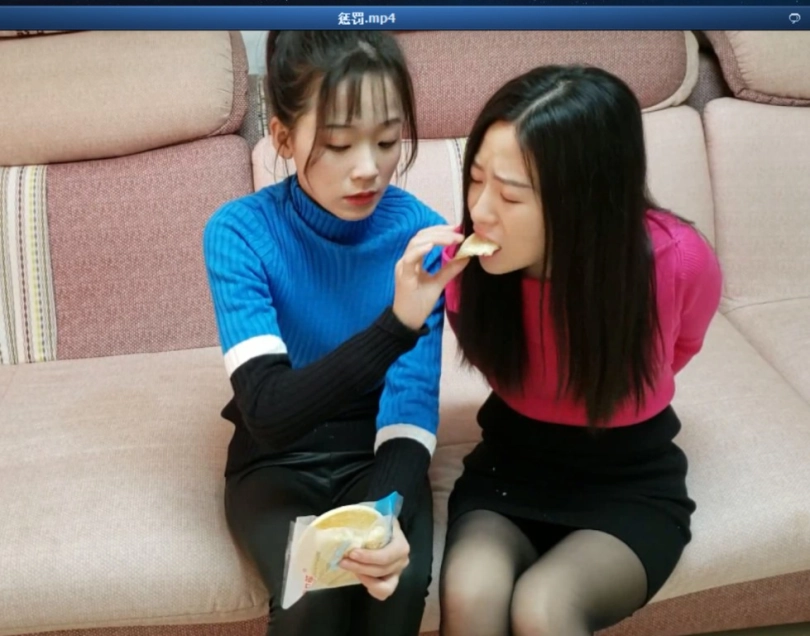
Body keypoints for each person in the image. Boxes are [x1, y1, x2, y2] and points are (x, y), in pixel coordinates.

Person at [438, 65, 723, 636]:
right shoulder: (467, 272)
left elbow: (681, 347)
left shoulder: (678, 261)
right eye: (475, 179)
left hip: (629, 481)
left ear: (586, 200)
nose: (481, 211)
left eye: (510, 194)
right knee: (471, 594)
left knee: (543, 607)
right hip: (511, 468)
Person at [203, 31, 467, 636]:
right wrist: (396, 324)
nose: (368, 168)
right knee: (313, 600)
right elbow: (269, 412)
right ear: (283, 138)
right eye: (340, 144)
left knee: (392, 590)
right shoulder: (239, 232)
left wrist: (383, 514)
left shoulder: (422, 236)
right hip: (276, 461)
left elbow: (409, 411)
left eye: (387, 140)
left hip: (377, 452)